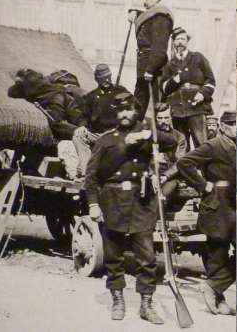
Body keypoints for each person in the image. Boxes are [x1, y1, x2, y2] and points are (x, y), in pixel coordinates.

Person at [84, 92, 178, 324]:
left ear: (135, 111)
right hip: (113, 200)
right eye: (120, 111)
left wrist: (147, 135)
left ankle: (146, 304)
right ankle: (118, 300)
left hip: (141, 201)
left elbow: (173, 140)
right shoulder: (106, 140)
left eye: (128, 110)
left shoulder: (146, 134)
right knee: (113, 256)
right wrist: (93, 204)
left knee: (147, 258)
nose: (124, 114)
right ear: (116, 114)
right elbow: (91, 176)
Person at [176, 110, 236, 316]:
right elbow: (184, 162)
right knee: (217, 256)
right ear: (223, 126)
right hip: (217, 206)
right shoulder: (214, 145)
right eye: (233, 124)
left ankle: (214, 286)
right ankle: (218, 299)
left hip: (236, 206)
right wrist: (203, 185)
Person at [7, 68, 88, 178]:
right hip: (63, 100)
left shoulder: (32, 87)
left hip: (57, 104)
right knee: (77, 121)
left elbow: (11, 92)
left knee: (58, 127)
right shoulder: (47, 84)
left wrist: (78, 132)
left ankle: (81, 133)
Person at [161, 27, 216, 149]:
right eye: (177, 39)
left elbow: (211, 81)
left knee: (202, 143)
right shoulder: (170, 64)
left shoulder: (198, 58)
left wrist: (202, 93)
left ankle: (204, 168)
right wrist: (174, 81)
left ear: (187, 41)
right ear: (174, 42)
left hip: (197, 106)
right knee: (181, 145)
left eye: (183, 39)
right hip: (178, 110)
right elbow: (164, 88)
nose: (180, 42)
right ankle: (184, 168)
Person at [133, 0, 174, 120]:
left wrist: (151, 69)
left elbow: (160, 46)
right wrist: (133, 11)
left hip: (155, 68)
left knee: (159, 106)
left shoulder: (161, 16)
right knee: (138, 103)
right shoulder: (151, 15)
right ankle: (134, 131)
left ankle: (161, 137)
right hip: (144, 66)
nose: (144, 2)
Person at [153, 102, 186, 199]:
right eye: (160, 118)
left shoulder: (179, 136)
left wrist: (166, 176)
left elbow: (180, 162)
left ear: (171, 117)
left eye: (166, 118)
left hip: (170, 175)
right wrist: (152, 175)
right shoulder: (150, 134)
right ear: (155, 118)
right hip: (152, 173)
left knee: (162, 197)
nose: (163, 121)